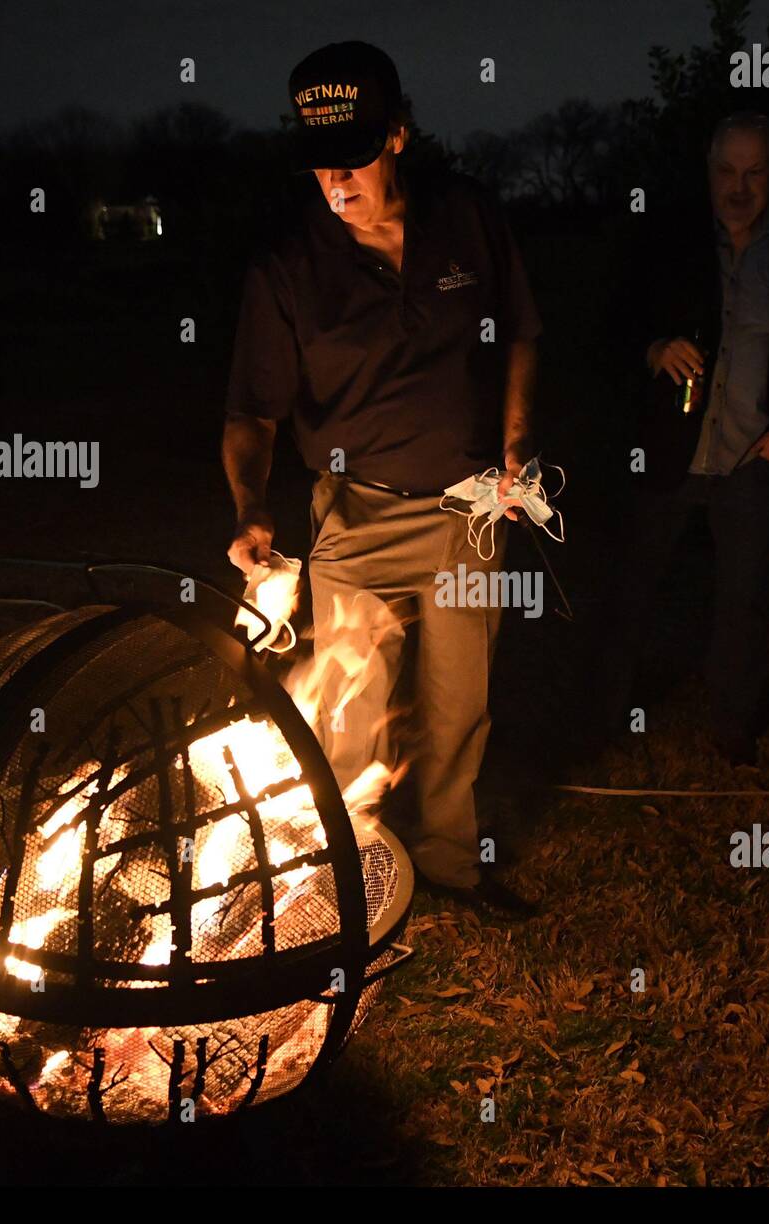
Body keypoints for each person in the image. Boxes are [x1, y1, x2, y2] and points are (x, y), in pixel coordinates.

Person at [222, 41, 543, 916]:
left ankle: (447, 863)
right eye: (319, 160)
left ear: (399, 134)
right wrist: (251, 508)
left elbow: (518, 329)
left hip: (468, 509)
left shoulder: (468, 218)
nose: (335, 179)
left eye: (354, 155)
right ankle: (335, 881)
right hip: (355, 517)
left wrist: (516, 444)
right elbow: (252, 411)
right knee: (348, 713)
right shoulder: (287, 266)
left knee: (457, 706)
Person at [604, 112, 769, 766]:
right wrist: (653, 350)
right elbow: (607, 327)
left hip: (749, 458)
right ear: (707, 166)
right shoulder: (666, 241)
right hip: (669, 451)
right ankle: (606, 710)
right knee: (632, 585)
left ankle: (732, 719)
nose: (738, 186)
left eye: (754, 172)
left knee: (742, 598)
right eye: (727, 170)